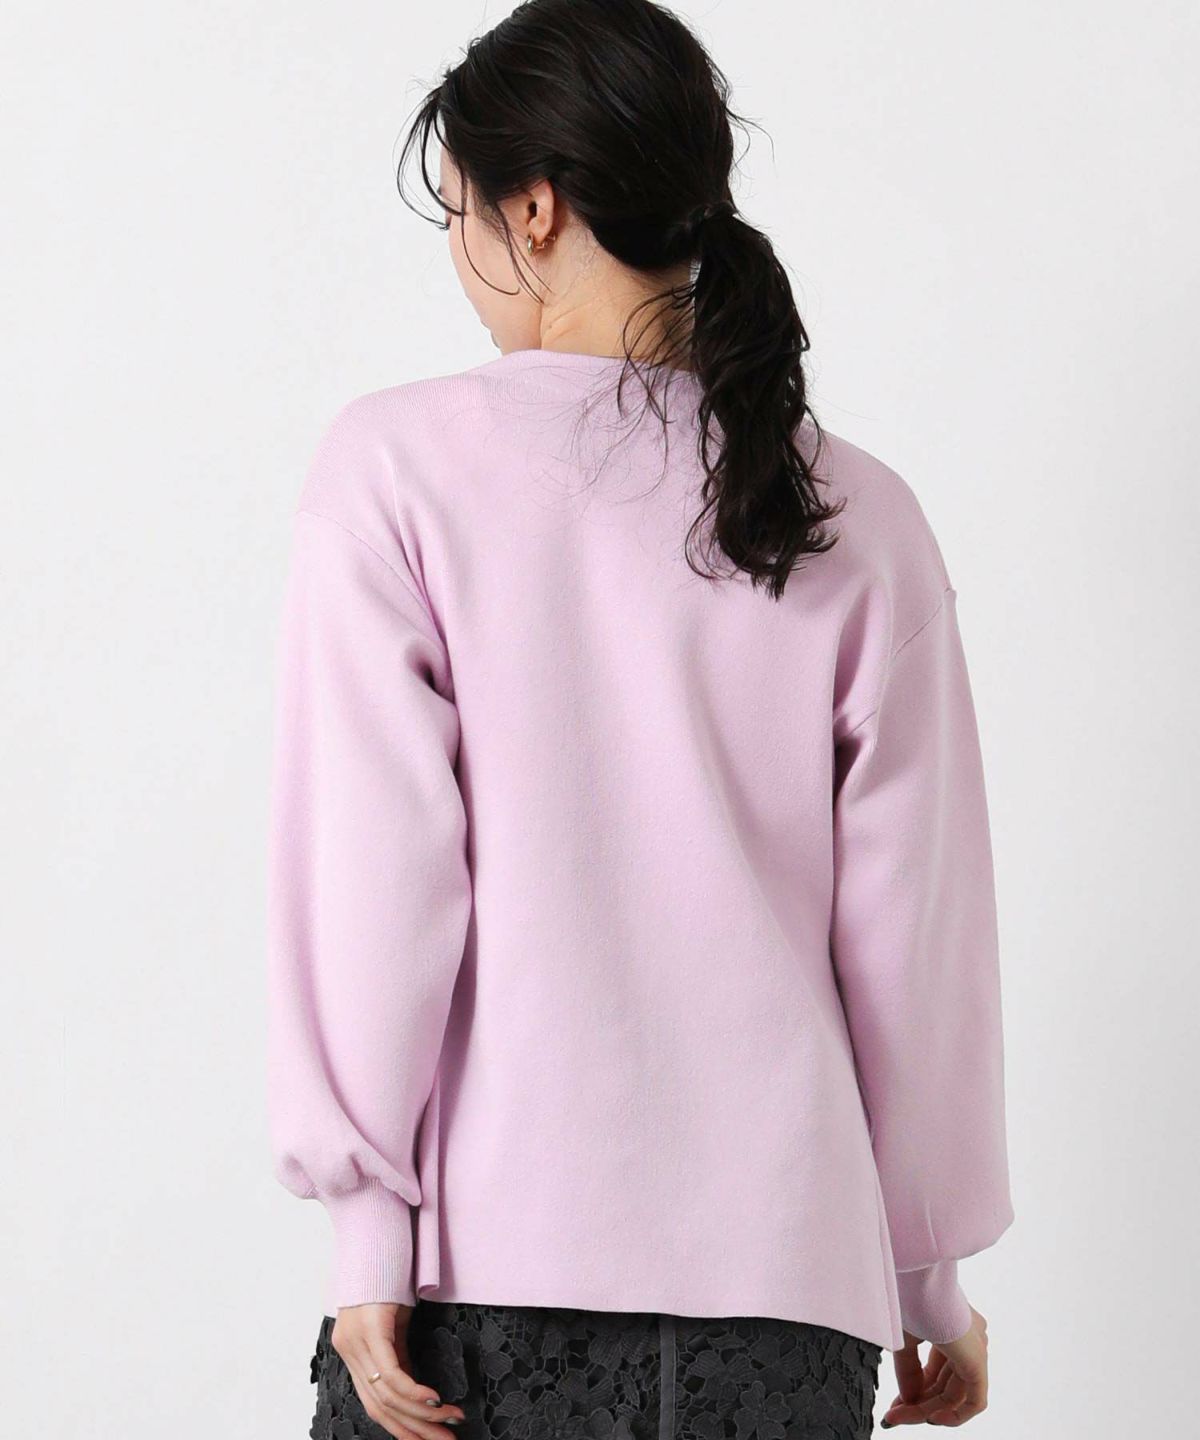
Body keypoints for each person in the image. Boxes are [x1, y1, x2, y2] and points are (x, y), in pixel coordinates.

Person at [264, 1, 1015, 1435]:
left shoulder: (394, 471)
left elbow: (377, 878)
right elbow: (915, 948)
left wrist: (367, 1238)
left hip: (478, 1298)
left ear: (535, 209)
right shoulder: (859, 514)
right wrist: (927, 1276)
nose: (458, 252)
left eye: (459, 209)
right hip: (788, 1316)